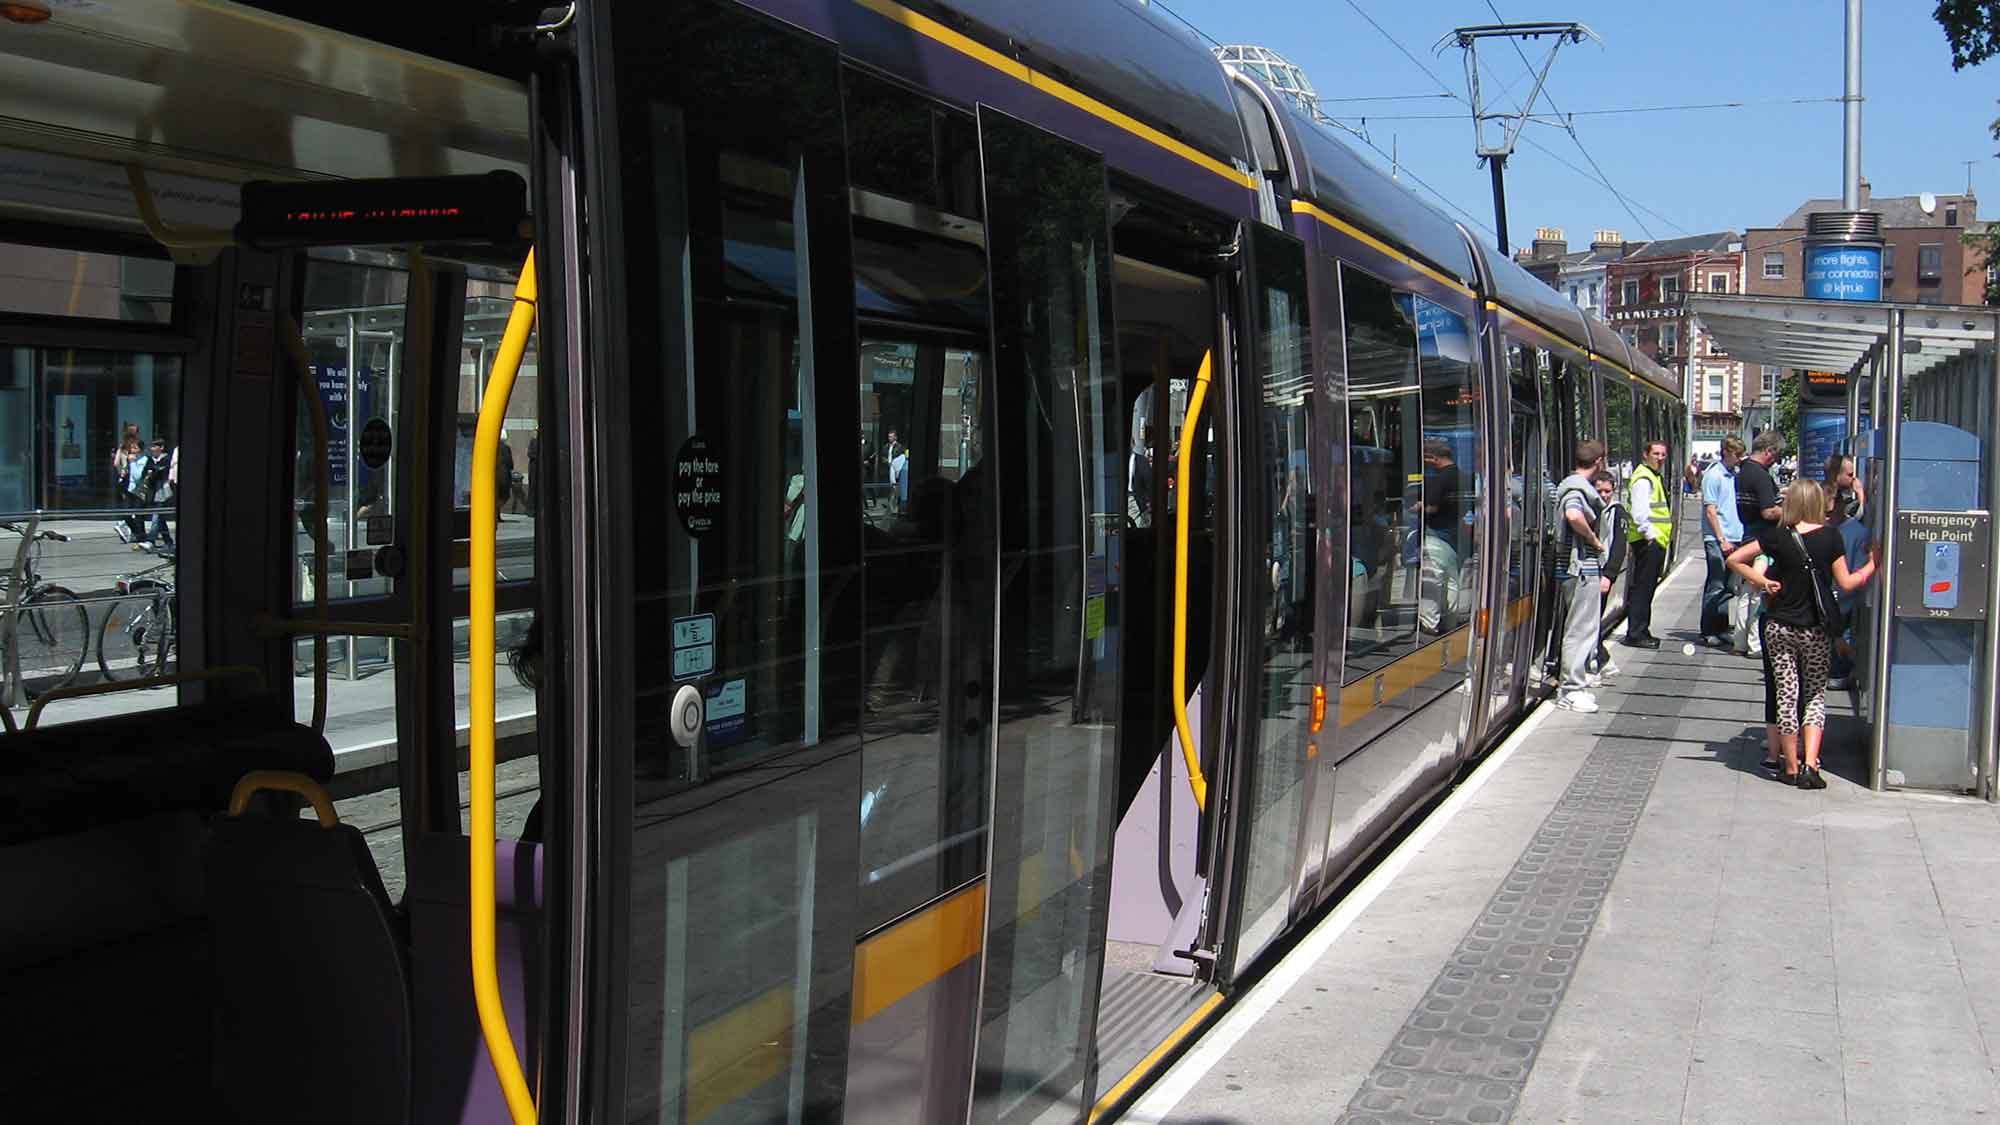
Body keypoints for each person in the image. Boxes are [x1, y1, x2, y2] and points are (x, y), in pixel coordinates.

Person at [1727, 478, 1879, 788]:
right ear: (1818, 503)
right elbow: (1847, 583)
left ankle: (1790, 767)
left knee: (1786, 695)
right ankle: (1810, 765)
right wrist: (1872, 564)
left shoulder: (1778, 535)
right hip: (1815, 631)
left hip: (1779, 627)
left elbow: (1734, 559)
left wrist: (1762, 581)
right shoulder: (1831, 537)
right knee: (1814, 696)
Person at [1554, 440, 1608, 713]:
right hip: (1580, 569)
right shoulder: (1577, 489)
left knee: (1581, 628)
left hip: (1576, 568)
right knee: (1581, 629)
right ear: (1598, 462)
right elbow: (1574, 515)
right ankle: (1571, 690)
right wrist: (1594, 540)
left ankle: (1574, 685)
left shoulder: (1571, 485)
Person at [1620, 440, 1671, 649]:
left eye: (1663, 454)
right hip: (1648, 542)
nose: (1660, 458)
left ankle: (1642, 630)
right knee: (1643, 588)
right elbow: (1639, 513)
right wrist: (1650, 536)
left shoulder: (1652, 476)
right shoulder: (1644, 478)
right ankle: (1636, 633)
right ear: (1645, 455)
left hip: (1653, 541)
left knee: (1647, 588)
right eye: (1656, 454)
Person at [1698, 436, 1746, 646]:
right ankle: (1708, 630)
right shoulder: (1714, 475)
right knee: (1716, 584)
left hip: (1735, 536)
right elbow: (1711, 510)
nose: (1740, 458)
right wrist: (1721, 539)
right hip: (1718, 538)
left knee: (1728, 586)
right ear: (1726, 452)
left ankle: (1721, 627)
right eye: (1737, 454)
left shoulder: (1733, 475)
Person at [1588, 470, 1627, 685]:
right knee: (1589, 622)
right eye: (1599, 491)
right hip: (1589, 572)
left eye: (1607, 491)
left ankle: (1600, 662)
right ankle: (1601, 661)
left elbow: (1620, 546)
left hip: (1602, 573)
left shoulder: (1617, 512)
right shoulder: (1590, 508)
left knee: (1592, 623)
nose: (1603, 495)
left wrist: (1609, 575)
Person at [140, 437, 176, 551]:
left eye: (155, 446)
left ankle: (150, 541)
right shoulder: (150, 460)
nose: (152, 449)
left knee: (157, 515)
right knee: (160, 517)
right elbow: (145, 473)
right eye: (151, 446)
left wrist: (154, 472)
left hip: (164, 491)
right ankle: (168, 542)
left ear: (161, 448)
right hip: (153, 491)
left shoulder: (167, 459)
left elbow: (163, 473)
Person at [112, 426, 146, 544]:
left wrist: (122, 472)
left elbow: (116, 464)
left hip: (130, 483)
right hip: (130, 483)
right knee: (133, 511)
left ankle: (138, 534)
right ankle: (137, 533)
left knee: (135, 511)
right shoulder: (131, 450)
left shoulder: (123, 448)